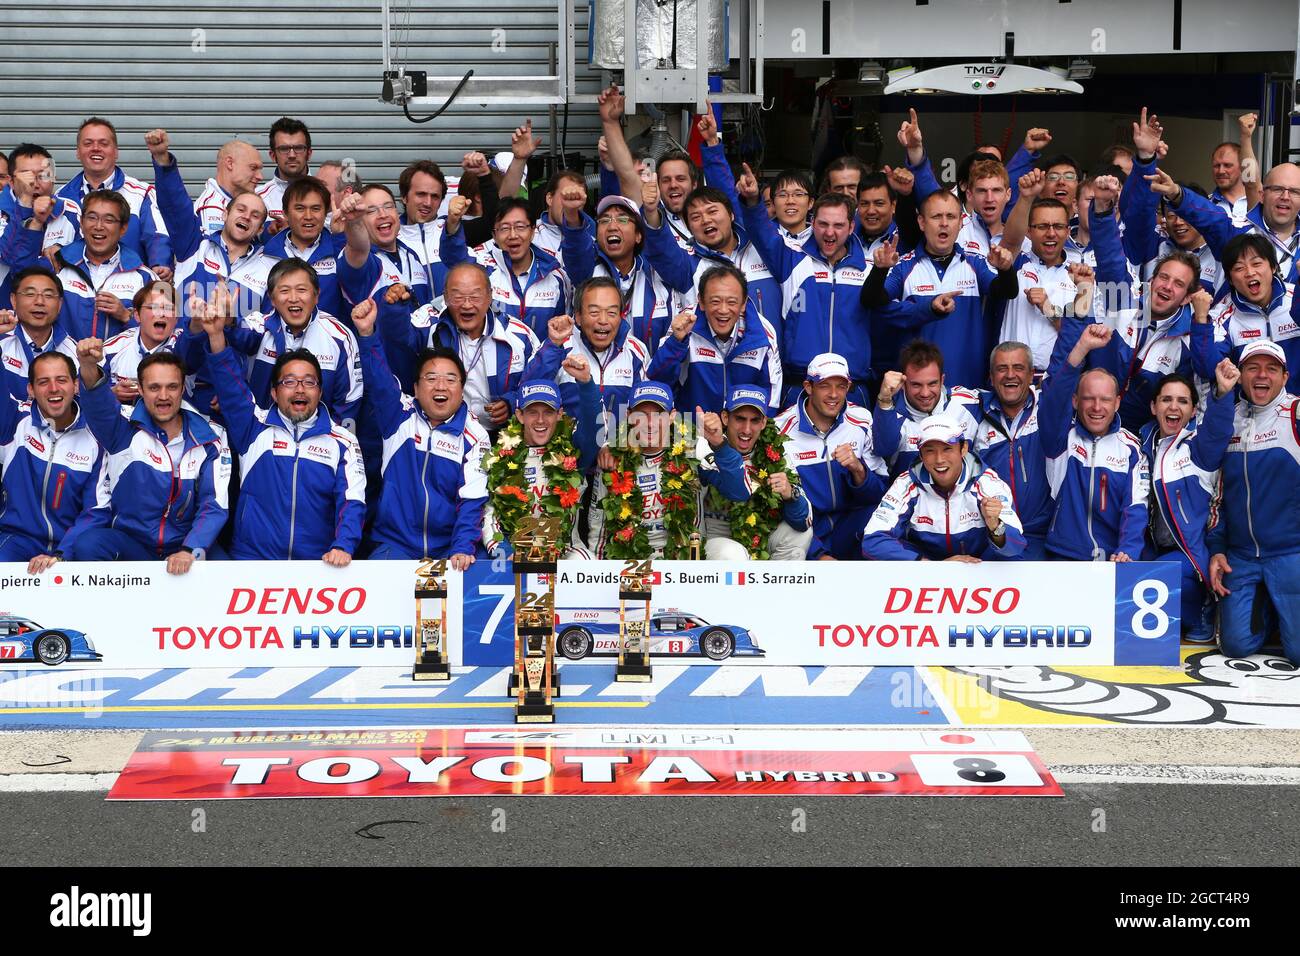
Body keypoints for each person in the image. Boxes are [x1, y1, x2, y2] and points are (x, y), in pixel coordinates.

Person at [197, 309, 363, 564]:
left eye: (309, 382)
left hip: (318, 564)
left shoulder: (343, 441)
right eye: (289, 382)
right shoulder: (254, 426)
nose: (299, 388)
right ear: (274, 393)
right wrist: (217, 335)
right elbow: (230, 385)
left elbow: (351, 502)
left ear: (320, 392)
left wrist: (343, 546)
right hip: (252, 561)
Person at [349, 298, 495, 565]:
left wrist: (462, 547)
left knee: (488, 573)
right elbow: (379, 380)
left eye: (451, 379)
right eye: (431, 378)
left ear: (462, 389)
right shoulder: (399, 414)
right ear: (415, 388)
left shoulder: (475, 435)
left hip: (450, 546)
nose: (441, 386)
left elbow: (473, 498)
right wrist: (367, 334)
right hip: (396, 544)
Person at [66, 341, 229, 572]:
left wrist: (190, 549)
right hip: (132, 543)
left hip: (184, 543)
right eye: (154, 387)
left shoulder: (212, 436)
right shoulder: (123, 428)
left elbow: (213, 505)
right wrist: (88, 366)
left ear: (183, 389)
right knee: (89, 545)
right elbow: (99, 406)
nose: (163, 396)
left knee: (227, 570)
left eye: (172, 387)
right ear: (140, 390)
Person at [862, 187, 1020, 388]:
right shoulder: (905, 266)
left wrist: (1006, 269)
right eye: (936, 216)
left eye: (951, 216)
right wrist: (880, 270)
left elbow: (1007, 292)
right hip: (920, 392)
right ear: (921, 222)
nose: (944, 223)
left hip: (967, 390)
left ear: (961, 223)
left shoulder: (974, 264)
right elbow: (872, 301)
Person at [737, 173, 871, 406]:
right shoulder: (793, 260)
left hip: (852, 388)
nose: (830, 232)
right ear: (813, 223)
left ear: (851, 227)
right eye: (823, 224)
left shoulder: (869, 270)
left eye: (838, 225)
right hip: (800, 386)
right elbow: (761, 231)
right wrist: (752, 200)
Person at [1208, 340, 1300, 663]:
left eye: (1271, 368)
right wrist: (1217, 547)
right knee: (1236, 647)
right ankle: (1272, 606)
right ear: (1241, 375)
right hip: (1242, 556)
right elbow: (1216, 493)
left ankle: (1281, 608)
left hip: (1292, 553)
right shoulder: (1227, 418)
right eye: (1252, 368)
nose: (1262, 375)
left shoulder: (1295, 413)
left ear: (1285, 377)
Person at [1141, 362, 1239, 644]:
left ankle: (1202, 611)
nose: (1174, 407)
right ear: (1153, 407)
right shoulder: (1141, 445)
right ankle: (1185, 612)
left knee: (1151, 577)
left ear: (1194, 411)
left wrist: (1222, 393)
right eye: (1166, 399)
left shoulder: (1199, 448)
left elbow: (1218, 431)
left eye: (1183, 401)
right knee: (1129, 577)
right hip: (1156, 546)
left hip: (1195, 549)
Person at [1038, 323, 1149, 562]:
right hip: (1063, 557)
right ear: (1076, 401)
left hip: (1113, 561)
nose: (1097, 407)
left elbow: (1135, 508)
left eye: (1105, 400)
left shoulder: (1131, 448)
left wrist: (1128, 550)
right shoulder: (1061, 439)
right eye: (1089, 399)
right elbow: (1053, 402)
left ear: (1117, 403)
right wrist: (1081, 347)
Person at [213, 257, 363, 431]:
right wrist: (228, 318)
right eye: (284, 290)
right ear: (272, 299)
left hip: (320, 445)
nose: (293, 298)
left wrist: (329, 445)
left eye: (301, 290)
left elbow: (348, 404)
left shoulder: (340, 337)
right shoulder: (260, 327)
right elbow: (238, 331)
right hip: (262, 438)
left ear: (316, 295)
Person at [146, 128, 273, 320]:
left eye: (255, 215)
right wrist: (162, 160)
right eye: (240, 210)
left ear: (261, 228)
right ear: (225, 214)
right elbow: (175, 207)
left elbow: (262, 333)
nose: (246, 217)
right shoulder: (195, 246)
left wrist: (230, 322)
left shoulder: (268, 266)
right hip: (187, 347)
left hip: (235, 350)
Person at [862, 415, 1025, 561]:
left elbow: (1016, 545)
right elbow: (872, 541)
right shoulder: (906, 484)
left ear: (963, 449)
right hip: (926, 570)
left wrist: (996, 526)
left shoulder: (988, 483)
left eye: (947, 449)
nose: (939, 460)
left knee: (1011, 558)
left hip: (980, 566)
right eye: (930, 451)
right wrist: (931, 566)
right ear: (920, 455)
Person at [773, 353, 888, 560]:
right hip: (807, 532)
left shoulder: (861, 420)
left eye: (841, 386)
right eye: (825, 385)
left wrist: (858, 470)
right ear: (808, 387)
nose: (834, 394)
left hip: (850, 528)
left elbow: (880, 494)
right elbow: (778, 507)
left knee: (881, 517)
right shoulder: (780, 431)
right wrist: (818, 555)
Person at [575, 380, 703, 559]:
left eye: (659, 415)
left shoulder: (689, 452)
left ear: (672, 416)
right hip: (628, 563)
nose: (650, 424)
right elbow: (599, 529)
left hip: (677, 561)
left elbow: (695, 526)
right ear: (628, 415)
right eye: (641, 415)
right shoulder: (612, 460)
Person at [0, 352, 103, 569]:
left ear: (76, 385)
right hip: (16, 540)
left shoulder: (97, 437)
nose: (53, 388)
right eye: (43, 382)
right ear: (31, 389)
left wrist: (62, 553)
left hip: (70, 544)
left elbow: (95, 510)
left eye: (61, 380)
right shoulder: (16, 422)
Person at [480, 376, 601, 556]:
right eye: (532, 412)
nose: (540, 420)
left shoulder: (572, 452)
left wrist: (586, 384)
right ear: (519, 415)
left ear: (560, 414)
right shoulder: (502, 457)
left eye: (548, 412)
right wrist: (503, 550)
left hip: (566, 551)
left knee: (589, 567)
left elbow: (595, 428)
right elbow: (490, 514)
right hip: (515, 550)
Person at [523, 279, 648, 443]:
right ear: (578, 317)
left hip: (619, 458)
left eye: (611, 313)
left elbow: (646, 413)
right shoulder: (559, 346)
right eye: (594, 312)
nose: (603, 320)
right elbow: (526, 395)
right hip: (565, 459)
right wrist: (553, 345)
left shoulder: (635, 351)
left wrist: (615, 448)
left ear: (621, 316)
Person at [646, 264, 781, 415]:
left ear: (743, 303)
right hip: (691, 429)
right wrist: (676, 343)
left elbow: (771, 397)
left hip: (741, 432)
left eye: (732, 302)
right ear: (701, 302)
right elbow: (657, 381)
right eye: (715, 301)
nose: (723, 310)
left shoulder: (763, 333)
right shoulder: (684, 324)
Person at [697, 385, 813, 560]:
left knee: (799, 534)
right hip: (715, 543)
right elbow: (737, 491)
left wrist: (791, 495)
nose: (746, 429)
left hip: (758, 541)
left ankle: (777, 586)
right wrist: (719, 445)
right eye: (740, 419)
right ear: (725, 417)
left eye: (755, 420)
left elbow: (804, 521)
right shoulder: (705, 446)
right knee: (733, 554)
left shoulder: (774, 452)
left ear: (764, 422)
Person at [439, 196, 570, 342]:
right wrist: (452, 223)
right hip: (494, 362)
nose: (513, 235)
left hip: (541, 363)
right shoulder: (481, 267)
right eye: (504, 228)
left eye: (520, 227)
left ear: (533, 231)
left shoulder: (556, 278)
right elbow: (453, 257)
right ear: (494, 235)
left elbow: (561, 334)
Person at [559, 192, 682, 350]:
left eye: (622, 219)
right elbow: (576, 247)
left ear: (638, 235)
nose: (612, 226)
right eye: (604, 220)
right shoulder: (586, 271)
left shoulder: (658, 277)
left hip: (648, 372)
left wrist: (651, 212)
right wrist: (571, 213)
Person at [1149, 160, 1300, 286]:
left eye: (1294, 191)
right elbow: (1209, 217)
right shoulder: (1236, 230)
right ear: (1262, 195)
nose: (1285, 196)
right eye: (1277, 189)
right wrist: (1178, 195)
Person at [57, 117, 172, 276]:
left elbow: (157, 237)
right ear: (77, 151)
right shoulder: (61, 198)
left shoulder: (141, 193)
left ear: (116, 152)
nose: (95, 148)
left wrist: (160, 264)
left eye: (103, 144)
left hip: (129, 293)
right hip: (76, 295)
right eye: (88, 143)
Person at [972, 341, 1052, 559]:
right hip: (994, 534)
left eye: (1018, 368)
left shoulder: (1047, 409)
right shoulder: (975, 417)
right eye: (1001, 369)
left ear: (1031, 375)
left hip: (1043, 536)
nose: (1010, 375)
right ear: (991, 376)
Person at [1197, 234, 1300, 394]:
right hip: (1251, 413)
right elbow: (1208, 369)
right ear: (1230, 279)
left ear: (1273, 267)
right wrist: (1201, 321)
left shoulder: (1295, 297)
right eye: (1239, 268)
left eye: (1257, 264)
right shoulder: (1222, 315)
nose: (1250, 272)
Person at [598, 86, 697, 251]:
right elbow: (627, 175)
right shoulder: (649, 215)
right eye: (666, 180)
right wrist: (611, 122)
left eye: (680, 178)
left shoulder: (708, 216)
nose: (673, 185)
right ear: (658, 185)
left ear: (694, 184)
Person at [51, 188, 156, 340]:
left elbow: (164, 329)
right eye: (92, 217)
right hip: (66, 362)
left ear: (123, 228)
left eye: (109, 220)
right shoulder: (57, 264)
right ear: (81, 222)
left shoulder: (145, 277)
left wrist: (127, 316)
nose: (99, 226)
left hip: (120, 363)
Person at [873, 340, 981, 477]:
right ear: (903, 385)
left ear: (942, 380)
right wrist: (884, 400)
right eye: (916, 385)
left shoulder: (968, 402)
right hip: (909, 496)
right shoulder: (890, 413)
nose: (925, 393)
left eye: (932, 384)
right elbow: (882, 449)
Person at [336, 182, 434, 313]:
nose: (383, 214)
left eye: (388, 207)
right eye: (371, 211)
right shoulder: (362, 260)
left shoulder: (411, 255)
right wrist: (354, 221)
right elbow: (357, 247)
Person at [1, 144, 80, 301]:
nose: (35, 184)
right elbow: (9, 257)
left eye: (43, 175)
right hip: (6, 312)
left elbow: (88, 255)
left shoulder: (71, 210)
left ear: (53, 178)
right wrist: (24, 202)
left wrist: (65, 252)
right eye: (26, 176)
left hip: (56, 310)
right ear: (11, 181)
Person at [262, 176, 344, 319]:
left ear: (325, 214)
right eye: (300, 208)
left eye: (316, 209)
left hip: (328, 340)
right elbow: (244, 318)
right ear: (285, 213)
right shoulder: (264, 256)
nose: (308, 216)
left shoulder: (341, 253)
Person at [0, 266, 79, 403]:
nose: (39, 302)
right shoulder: (2, 336)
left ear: (59, 304)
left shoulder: (75, 352)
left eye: (48, 295)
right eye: (30, 294)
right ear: (13, 300)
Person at [100, 280, 184, 404]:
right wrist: (111, 393)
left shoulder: (184, 345)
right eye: (152, 307)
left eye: (168, 308)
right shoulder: (112, 348)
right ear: (137, 315)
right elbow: (86, 391)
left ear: (176, 318)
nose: (160, 313)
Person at [193, 138, 265, 236]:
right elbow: (219, 250)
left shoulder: (228, 201)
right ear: (230, 163)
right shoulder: (213, 207)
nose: (260, 177)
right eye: (253, 168)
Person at [256, 116, 313, 228]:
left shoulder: (328, 195)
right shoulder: (258, 198)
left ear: (309, 154)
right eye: (284, 149)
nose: (292, 155)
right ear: (273, 155)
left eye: (299, 148)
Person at [1210, 113, 1262, 226]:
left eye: (1227, 165)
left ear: (1242, 167)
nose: (1221, 171)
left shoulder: (1260, 200)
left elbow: (1252, 181)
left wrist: (1246, 137)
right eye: (1216, 165)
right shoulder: (1206, 204)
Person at [766, 170, 813, 249]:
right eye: (782, 195)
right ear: (773, 203)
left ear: (810, 203)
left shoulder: (822, 239)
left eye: (798, 194)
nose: (790, 201)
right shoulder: (761, 237)